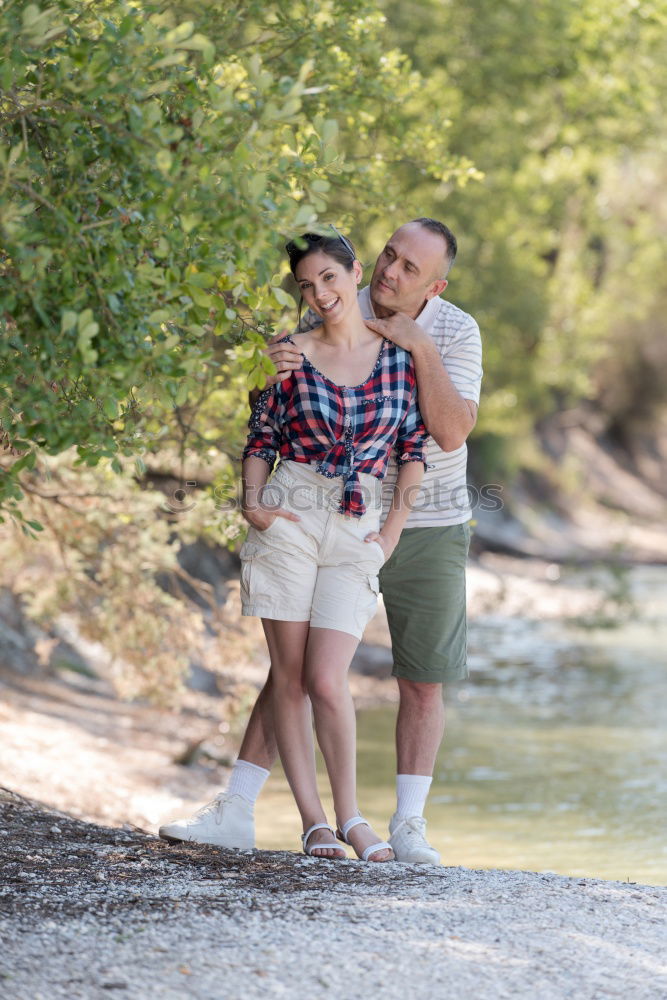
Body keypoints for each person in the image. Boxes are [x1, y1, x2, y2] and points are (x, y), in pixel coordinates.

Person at [160, 218, 483, 863]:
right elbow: (270, 407)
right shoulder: (332, 297)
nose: (392, 272)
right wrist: (268, 367)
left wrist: (418, 345)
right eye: (389, 255)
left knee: (422, 676)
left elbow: (448, 434)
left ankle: (408, 825)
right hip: (319, 514)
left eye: (410, 268)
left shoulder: (455, 331)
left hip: (423, 522)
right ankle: (240, 809)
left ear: (435, 285)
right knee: (297, 670)